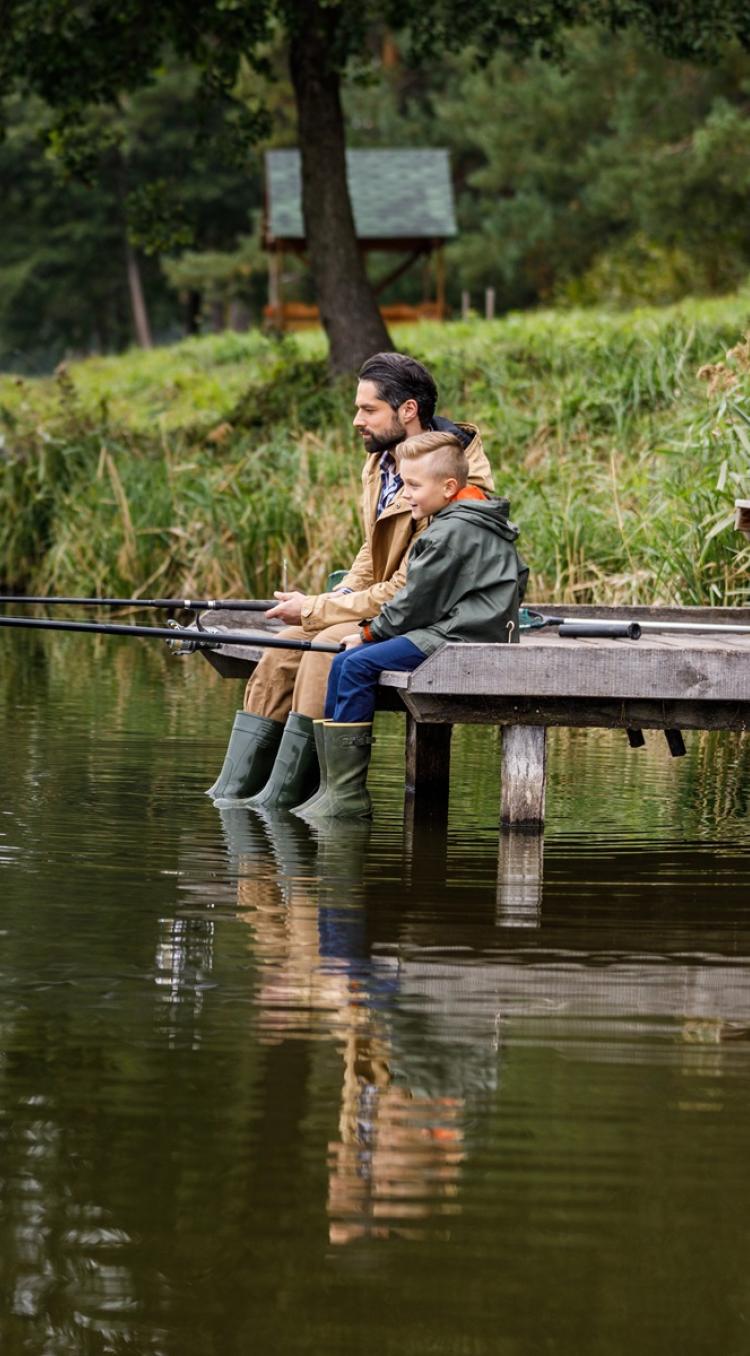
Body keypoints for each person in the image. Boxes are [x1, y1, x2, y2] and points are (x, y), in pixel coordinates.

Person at [208, 352, 494, 810]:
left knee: (322, 650)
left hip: (427, 612)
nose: (357, 420)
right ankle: (240, 790)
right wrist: (332, 597)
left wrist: (320, 611)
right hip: (384, 601)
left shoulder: (450, 480)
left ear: (407, 411)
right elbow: (373, 549)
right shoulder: (382, 461)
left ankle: (299, 795)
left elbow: (410, 585)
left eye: (368, 409)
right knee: (283, 646)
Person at [294, 429, 525, 821]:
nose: (405, 493)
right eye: (402, 483)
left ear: (449, 486)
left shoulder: (450, 532)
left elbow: (413, 604)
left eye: (413, 485)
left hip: (463, 637)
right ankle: (331, 787)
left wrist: (368, 632)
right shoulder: (459, 519)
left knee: (358, 663)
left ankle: (347, 793)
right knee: (344, 662)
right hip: (458, 628)